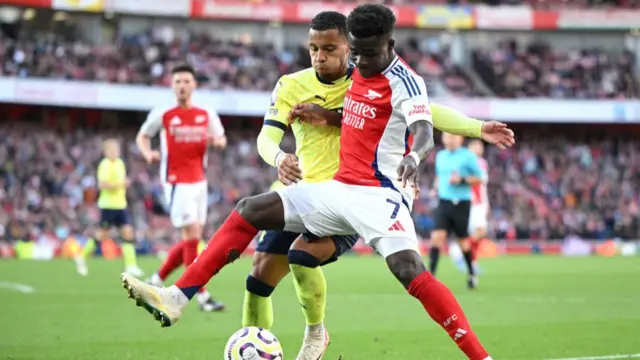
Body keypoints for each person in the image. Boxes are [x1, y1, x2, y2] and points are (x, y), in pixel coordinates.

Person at [121, 5, 513, 360]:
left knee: (409, 269)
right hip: (337, 188)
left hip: (380, 196)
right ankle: (176, 297)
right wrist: (324, 120)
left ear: (389, 45)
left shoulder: (405, 82)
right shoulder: (354, 68)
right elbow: (354, 112)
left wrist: (432, 147)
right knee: (250, 212)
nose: (359, 62)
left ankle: (481, 357)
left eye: (365, 53)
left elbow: (425, 124)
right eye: (354, 53)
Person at [136, 64, 227, 312]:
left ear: (194, 85)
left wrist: (217, 142)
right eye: (177, 81)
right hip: (176, 181)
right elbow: (143, 136)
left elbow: (221, 137)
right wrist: (147, 154)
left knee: (192, 239)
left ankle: (155, 281)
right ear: (172, 85)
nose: (182, 85)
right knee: (192, 238)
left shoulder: (206, 113)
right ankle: (202, 298)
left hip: (199, 181)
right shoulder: (164, 113)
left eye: (186, 81)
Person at [74, 138, 142, 277]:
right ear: (106, 152)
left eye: (117, 149)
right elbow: (102, 184)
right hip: (108, 206)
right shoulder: (104, 165)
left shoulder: (120, 163)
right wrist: (121, 184)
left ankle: (131, 265)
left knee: (128, 233)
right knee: (101, 235)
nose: (115, 152)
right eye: (112, 150)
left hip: (121, 205)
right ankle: (81, 255)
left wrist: (124, 183)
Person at [429, 134, 482, 289]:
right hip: (444, 201)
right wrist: (435, 188)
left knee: (463, 241)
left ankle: (471, 273)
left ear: (460, 139)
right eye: (447, 136)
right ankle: (430, 277)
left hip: (462, 203)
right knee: (436, 237)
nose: (449, 138)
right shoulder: (440, 156)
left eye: (453, 136)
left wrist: (463, 180)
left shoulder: (467, 156)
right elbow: (440, 176)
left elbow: (480, 178)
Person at [467, 139, 489, 272]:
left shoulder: (483, 163)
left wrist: (487, 203)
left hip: (481, 203)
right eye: (475, 146)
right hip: (471, 202)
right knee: (480, 231)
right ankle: (459, 251)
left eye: (480, 146)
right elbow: (466, 181)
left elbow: (483, 186)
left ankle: (472, 262)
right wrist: (470, 196)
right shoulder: (467, 163)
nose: (478, 148)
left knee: (480, 233)